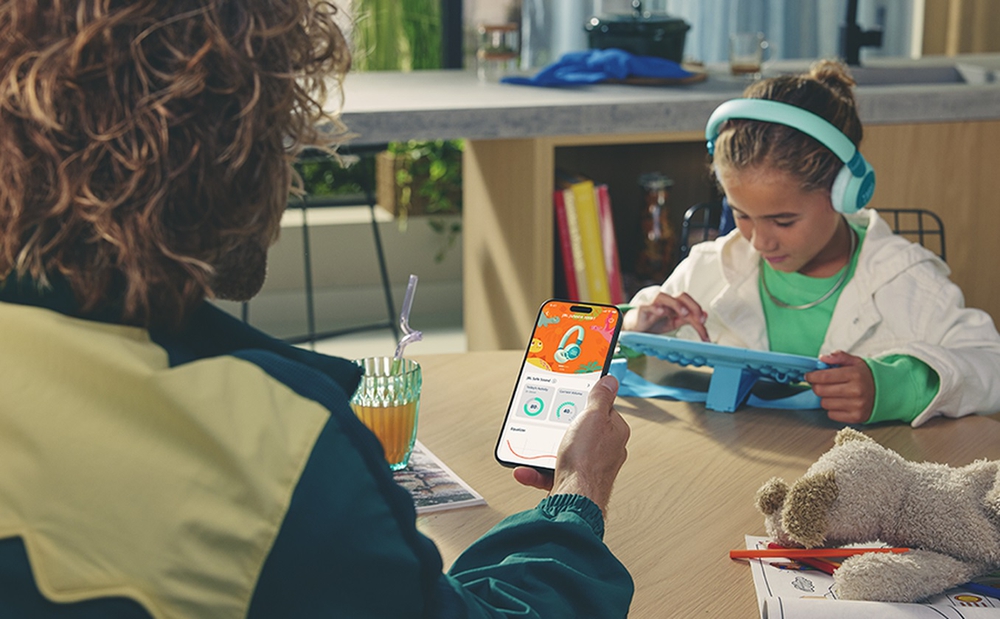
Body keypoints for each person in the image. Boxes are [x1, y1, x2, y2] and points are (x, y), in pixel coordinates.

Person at [0, 2, 633, 617]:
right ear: (229, 161)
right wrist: (579, 492)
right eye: (281, 136)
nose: (291, 170)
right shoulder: (271, 450)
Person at [624, 60, 1000, 427]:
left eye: (783, 221)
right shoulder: (706, 269)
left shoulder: (907, 281)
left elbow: (991, 365)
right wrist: (635, 328)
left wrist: (897, 387)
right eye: (742, 214)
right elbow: (607, 356)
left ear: (844, 194)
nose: (759, 241)